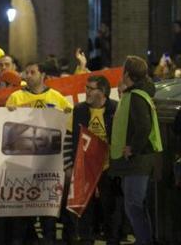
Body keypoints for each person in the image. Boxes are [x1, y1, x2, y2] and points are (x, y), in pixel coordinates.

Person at [5, 62, 72, 244]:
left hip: (49, 164)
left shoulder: (57, 98)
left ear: (42, 75)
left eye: (32, 72)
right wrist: (7, 114)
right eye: (26, 72)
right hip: (23, 163)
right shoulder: (15, 97)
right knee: (23, 211)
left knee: (47, 209)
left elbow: (68, 125)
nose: (28, 75)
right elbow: (6, 127)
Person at [110, 56, 163, 245]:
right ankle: (145, 238)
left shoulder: (136, 97)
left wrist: (132, 148)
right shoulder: (137, 93)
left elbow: (143, 127)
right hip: (139, 160)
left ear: (126, 74)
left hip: (138, 160)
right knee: (134, 202)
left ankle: (144, 240)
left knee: (133, 204)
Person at [70, 75, 122, 245]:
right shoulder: (79, 110)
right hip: (85, 167)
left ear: (103, 92)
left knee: (110, 208)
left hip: (108, 167)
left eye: (91, 88)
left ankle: (112, 239)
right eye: (86, 87)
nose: (86, 91)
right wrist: (69, 165)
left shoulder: (116, 109)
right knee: (86, 209)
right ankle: (86, 239)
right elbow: (70, 138)